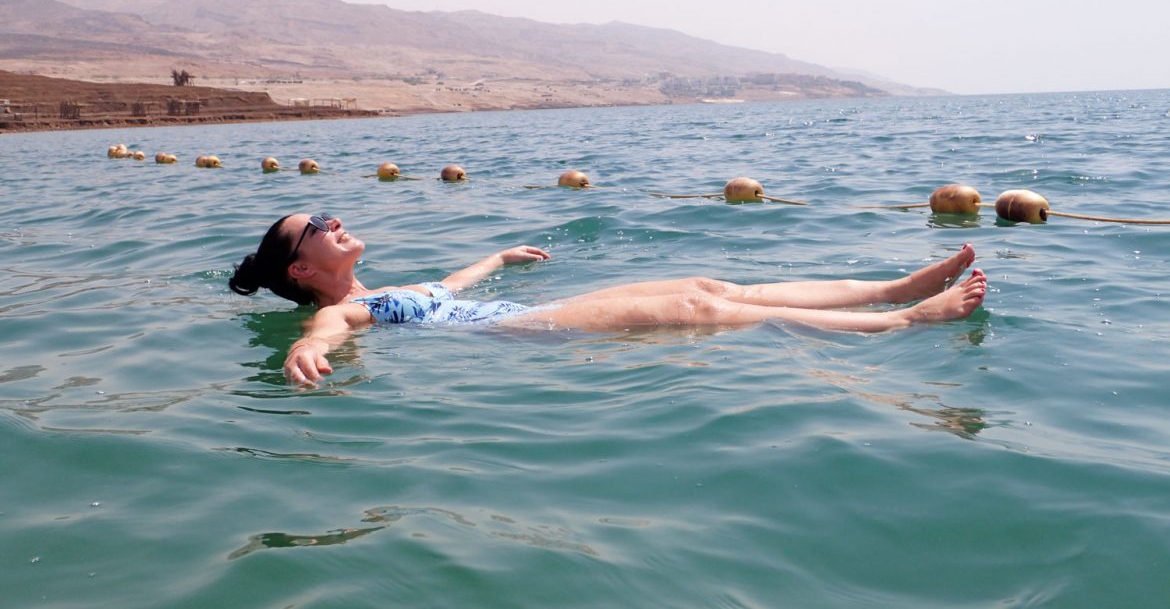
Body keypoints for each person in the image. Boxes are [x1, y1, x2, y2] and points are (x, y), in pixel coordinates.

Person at [230, 212, 987, 385]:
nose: (334, 221)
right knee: (695, 313)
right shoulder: (341, 307)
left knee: (707, 286)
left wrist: (500, 254)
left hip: (503, 309)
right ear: (299, 271)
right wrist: (304, 349)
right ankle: (898, 322)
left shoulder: (391, 287)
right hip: (519, 333)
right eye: (316, 228)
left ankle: (893, 286)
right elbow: (328, 329)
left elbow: (455, 285)